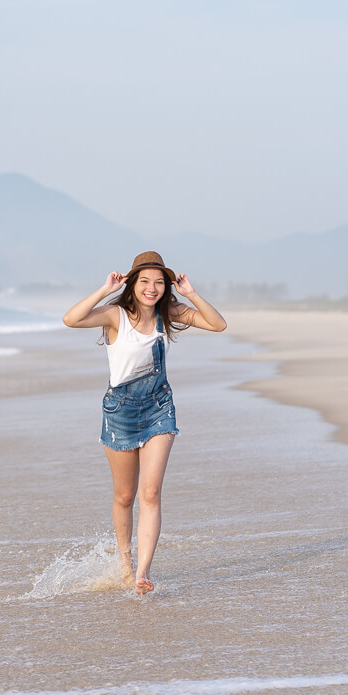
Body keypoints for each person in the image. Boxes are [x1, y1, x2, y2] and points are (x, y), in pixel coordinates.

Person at [62, 251, 227, 594]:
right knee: (125, 496)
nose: (152, 288)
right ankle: (124, 562)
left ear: (167, 287)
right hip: (120, 412)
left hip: (158, 409)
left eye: (159, 282)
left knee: (150, 492)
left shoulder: (171, 314)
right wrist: (105, 289)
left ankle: (142, 573)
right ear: (132, 283)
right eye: (145, 281)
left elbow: (217, 324)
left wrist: (191, 293)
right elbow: (70, 319)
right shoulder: (115, 315)